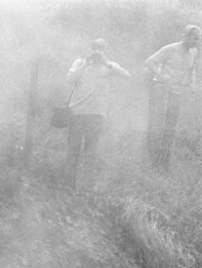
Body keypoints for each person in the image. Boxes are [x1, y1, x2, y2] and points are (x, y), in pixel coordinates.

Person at [63, 39, 130, 186]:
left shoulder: (109, 66)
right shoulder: (79, 63)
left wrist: (105, 62)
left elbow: (126, 75)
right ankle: (68, 185)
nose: (97, 52)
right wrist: (86, 62)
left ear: (105, 51)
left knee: (91, 152)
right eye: (94, 48)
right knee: (73, 150)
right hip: (76, 113)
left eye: (100, 49)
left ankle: (87, 186)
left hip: (97, 114)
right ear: (89, 49)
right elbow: (70, 79)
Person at [144, 25, 201, 170]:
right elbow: (149, 61)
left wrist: (193, 84)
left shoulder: (193, 52)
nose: (197, 42)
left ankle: (164, 162)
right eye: (195, 39)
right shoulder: (170, 49)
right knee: (157, 125)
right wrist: (160, 74)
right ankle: (151, 159)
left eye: (198, 39)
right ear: (186, 36)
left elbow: (192, 69)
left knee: (170, 128)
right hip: (161, 91)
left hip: (177, 93)